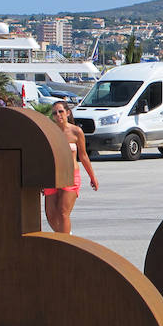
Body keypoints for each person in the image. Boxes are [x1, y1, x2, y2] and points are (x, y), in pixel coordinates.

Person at [43, 100, 99, 234]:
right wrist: (42, 179)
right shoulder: (50, 131)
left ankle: (64, 244)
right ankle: (66, 236)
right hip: (53, 176)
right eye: (55, 113)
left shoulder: (76, 132)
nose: (58, 115)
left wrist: (93, 177)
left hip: (71, 175)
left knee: (63, 212)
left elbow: (84, 156)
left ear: (68, 113)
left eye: (61, 111)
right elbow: (44, 156)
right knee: (50, 215)